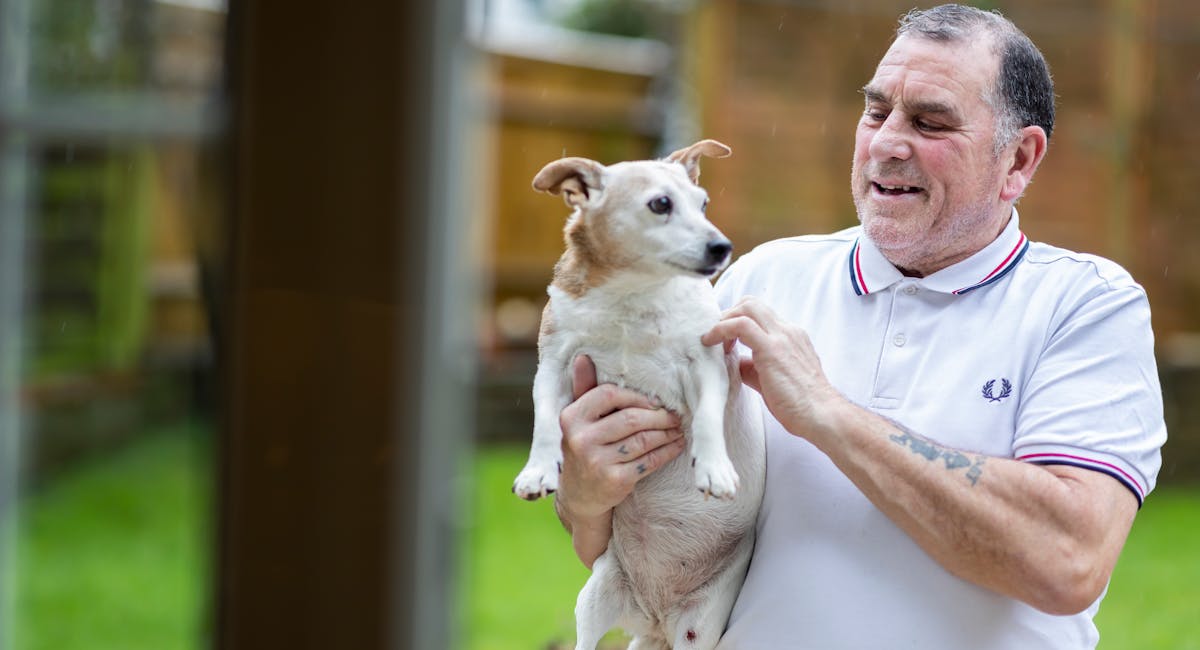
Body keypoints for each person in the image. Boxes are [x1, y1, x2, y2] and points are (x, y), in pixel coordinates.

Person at [550, 4, 1167, 649]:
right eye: (876, 112)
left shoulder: (1087, 305)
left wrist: (826, 411)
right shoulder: (762, 280)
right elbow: (624, 534)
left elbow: (1067, 562)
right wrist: (589, 493)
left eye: (930, 122)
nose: (886, 143)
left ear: (1018, 160)